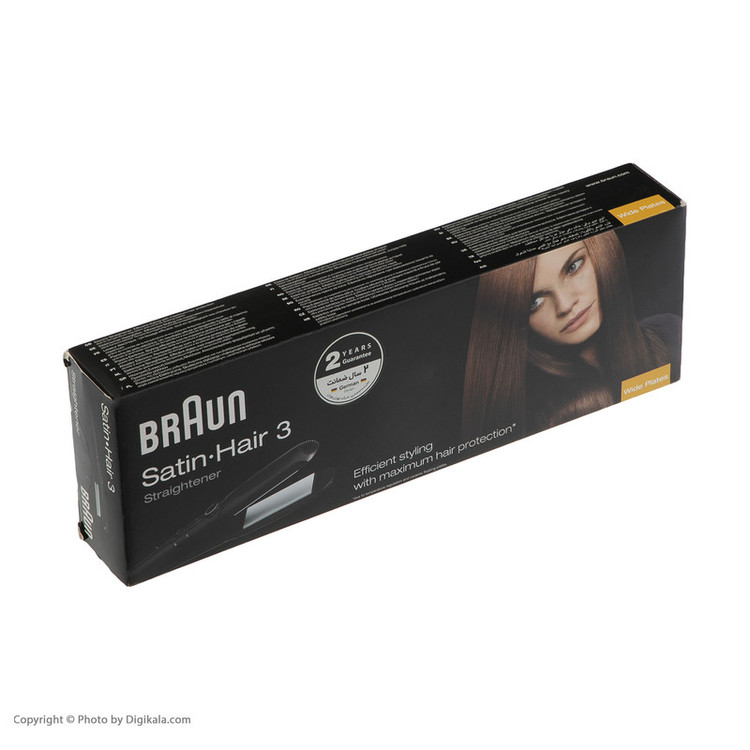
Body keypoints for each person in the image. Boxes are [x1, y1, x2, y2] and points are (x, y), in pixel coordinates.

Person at [461, 230, 680, 438]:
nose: (565, 305)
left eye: (573, 267)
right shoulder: (534, 416)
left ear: (601, 252)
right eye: (534, 302)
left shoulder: (668, 334)